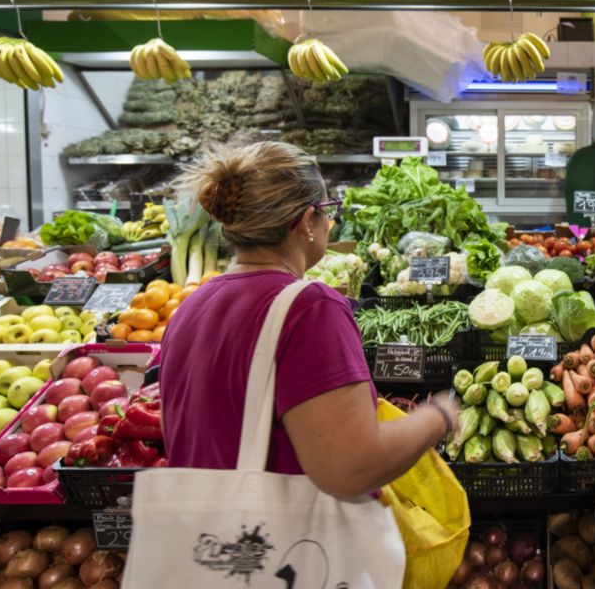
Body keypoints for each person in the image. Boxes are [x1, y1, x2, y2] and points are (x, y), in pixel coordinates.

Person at [160, 141, 459, 500]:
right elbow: (352, 468)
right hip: (289, 546)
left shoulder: (192, 307)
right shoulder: (309, 308)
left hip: (210, 537)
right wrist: (436, 417)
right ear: (306, 222)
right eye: (328, 211)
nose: (331, 222)